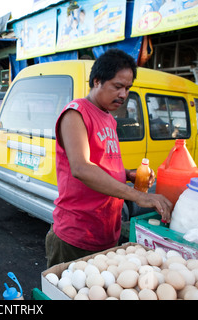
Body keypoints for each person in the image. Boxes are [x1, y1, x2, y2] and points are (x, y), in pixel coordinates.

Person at [45, 49, 172, 267]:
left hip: (105, 230)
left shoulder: (108, 118)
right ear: (97, 81)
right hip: (76, 233)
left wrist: (129, 175)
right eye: (117, 86)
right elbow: (82, 168)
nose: (123, 94)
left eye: (128, 88)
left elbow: (103, 164)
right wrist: (137, 196)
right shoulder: (76, 113)